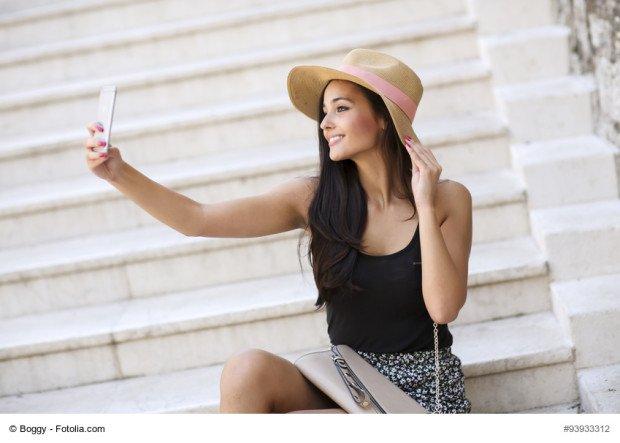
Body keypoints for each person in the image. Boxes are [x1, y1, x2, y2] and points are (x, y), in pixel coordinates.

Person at [83, 48, 472, 414]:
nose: (326, 124)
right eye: (325, 112)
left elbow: (443, 308)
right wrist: (118, 172)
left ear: (384, 117)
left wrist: (422, 202)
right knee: (246, 370)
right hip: (348, 383)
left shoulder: (448, 200)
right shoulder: (313, 199)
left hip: (421, 392)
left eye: (341, 109)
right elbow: (197, 219)